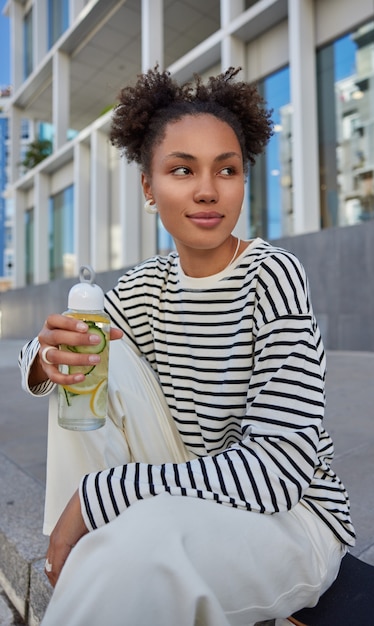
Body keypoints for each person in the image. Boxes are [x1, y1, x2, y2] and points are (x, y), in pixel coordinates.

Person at [19, 66, 355, 626]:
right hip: (186, 484)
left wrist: (107, 492)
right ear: (148, 187)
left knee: (137, 553)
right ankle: (77, 565)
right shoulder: (147, 285)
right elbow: (54, 357)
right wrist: (44, 357)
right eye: (182, 170)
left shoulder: (273, 276)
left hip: (290, 517)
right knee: (88, 348)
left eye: (227, 170)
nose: (207, 190)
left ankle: (83, 567)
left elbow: (277, 472)